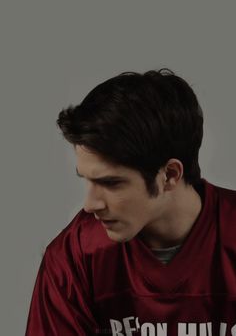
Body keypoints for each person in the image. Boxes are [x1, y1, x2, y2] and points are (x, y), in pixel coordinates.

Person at [25, 68, 236, 336]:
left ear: (170, 175)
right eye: (87, 180)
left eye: (111, 183)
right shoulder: (75, 256)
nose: (90, 204)